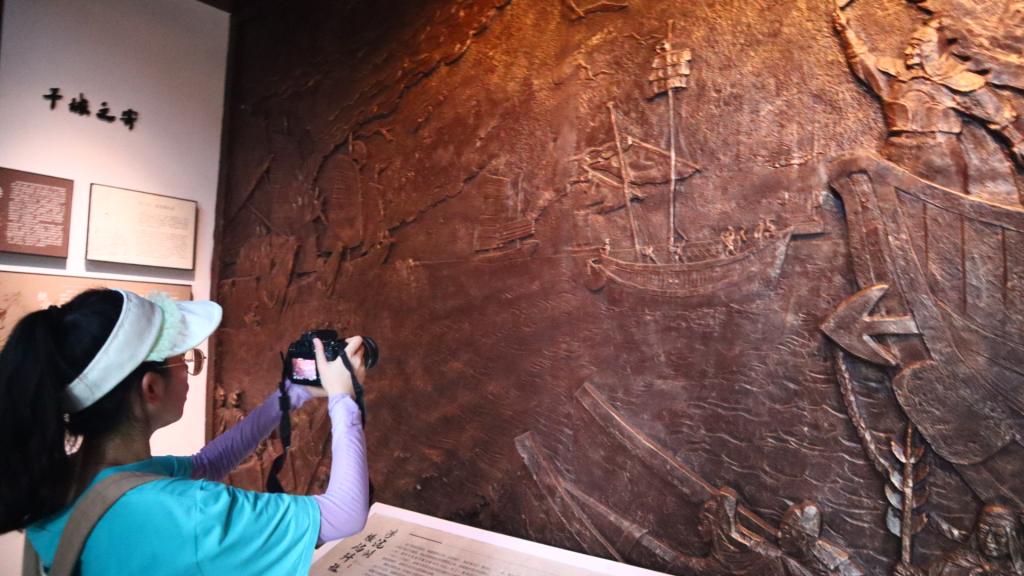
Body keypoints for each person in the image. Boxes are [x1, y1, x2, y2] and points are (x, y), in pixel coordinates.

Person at [0, 288, 369, 575]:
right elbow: (344, 513)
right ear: (151, 388)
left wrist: (290, 396)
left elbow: (208, 463)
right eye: (185, 359)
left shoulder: (60, 484)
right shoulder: (188, 512)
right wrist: (343, 398)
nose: (189, 370)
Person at [834, 4, 1024, 202]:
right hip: (896, 152)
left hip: (939, 157)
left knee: (947, 207)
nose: (908, 51)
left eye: (917, 45)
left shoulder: (958, 81)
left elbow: (1000, 116)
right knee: (892, 204)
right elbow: (862, 62)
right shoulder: (892, 78)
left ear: (933, 48)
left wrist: (1018, 143)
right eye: (910, 45)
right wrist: (845, 31)